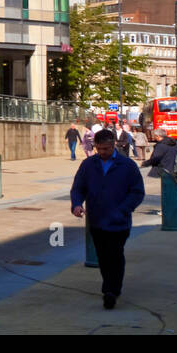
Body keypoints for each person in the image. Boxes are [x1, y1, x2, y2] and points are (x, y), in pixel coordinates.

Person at [71, 128, 145, 310]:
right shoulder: (88, 165)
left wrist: (124, 209)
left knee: (115, 254)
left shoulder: (127, 166)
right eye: (99, 149)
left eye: (105, 149)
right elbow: (78, 187)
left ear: (113, 146)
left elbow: (137, 192)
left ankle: (111, 290)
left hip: (119, 221)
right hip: (97, 219)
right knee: (103, 256)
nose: (102, 152)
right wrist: (77, 204)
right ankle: (109, 285)